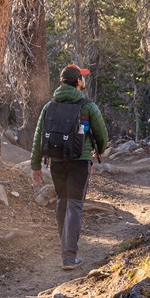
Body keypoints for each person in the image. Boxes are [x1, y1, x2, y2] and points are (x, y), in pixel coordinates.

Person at [30, 64, 108, 270]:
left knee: (62, 201)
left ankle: (65, 245)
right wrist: (99, 150)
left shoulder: (49, 106)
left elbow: (39, 136)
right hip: (80, 162)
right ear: (78, 82)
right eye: (82, 77)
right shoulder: (88, 106)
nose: (84, 80)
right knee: (74, 204)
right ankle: (69, 256)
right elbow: (102, 135)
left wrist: (35, 166)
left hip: (56, 162)